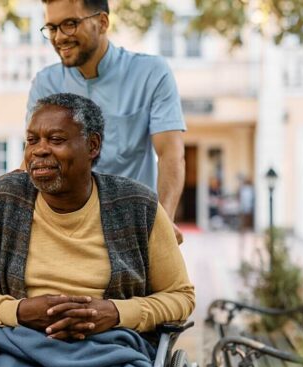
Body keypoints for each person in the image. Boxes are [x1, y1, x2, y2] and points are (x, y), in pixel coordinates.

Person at [0, 93, 194, 367]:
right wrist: (20, 311)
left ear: (92, 145)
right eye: (32, 140)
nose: (39, 150)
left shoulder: (138, 206)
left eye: (55, 140)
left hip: (111, 350)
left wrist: (115, 312)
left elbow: (181, 296)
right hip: (14, 345)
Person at [27, 0, 186, 243]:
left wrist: (163, 223)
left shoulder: (152, 73)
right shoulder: (44, 84)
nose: (59, 37)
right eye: (52, 28)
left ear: (102, 23)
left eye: (70, 24)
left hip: (133, 229)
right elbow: (35, 160)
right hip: (65, 233)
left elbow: (171, 155)